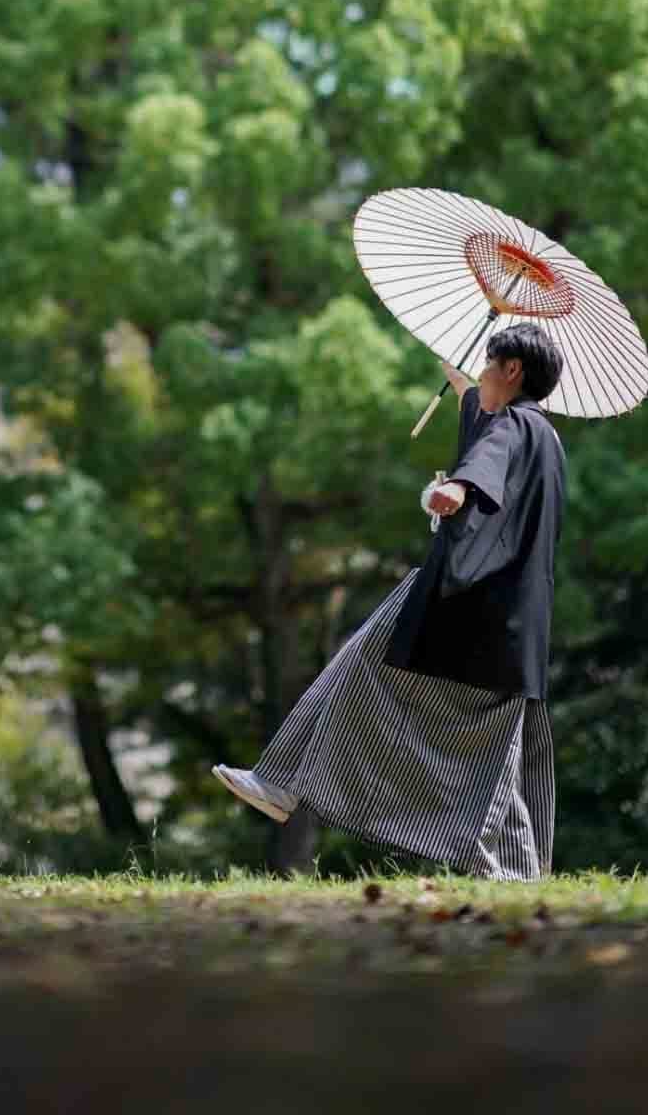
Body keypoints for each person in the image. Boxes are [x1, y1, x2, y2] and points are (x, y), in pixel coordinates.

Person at [213, 321, 567, 880]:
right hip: (511, 621)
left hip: (469, 605)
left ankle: (281, 783)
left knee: (364, 664)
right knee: (495, 746)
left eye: (487, 364)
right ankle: (519, 873)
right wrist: (463, 378)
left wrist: (455, 488)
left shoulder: (516, 428)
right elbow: (483, 419)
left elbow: (489, 455)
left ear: (513, 369)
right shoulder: (543, 438)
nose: (479, 374)